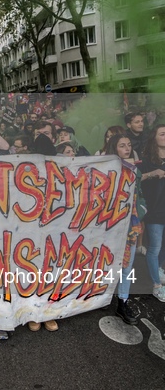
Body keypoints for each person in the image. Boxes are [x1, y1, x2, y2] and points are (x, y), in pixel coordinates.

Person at [104, 134, 142, 324]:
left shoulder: (136, 171)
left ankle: (122, 302)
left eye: (129, 145)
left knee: (127, 268)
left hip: (129, 226)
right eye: (122, 145)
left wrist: (139, 212)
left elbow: (140, 197)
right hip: (109, 226)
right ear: (114, 149)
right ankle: (98, 297)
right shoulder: (105, 171)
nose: (127, 148)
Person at [138, 124, 165, 302]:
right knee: (154, 247)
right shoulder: (147, 159)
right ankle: (156, 285)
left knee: (163, 247)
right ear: (154, 138)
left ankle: (159, 270)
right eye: (162, 134)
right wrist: (153, 173)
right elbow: (139, 180)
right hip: (155, 210)